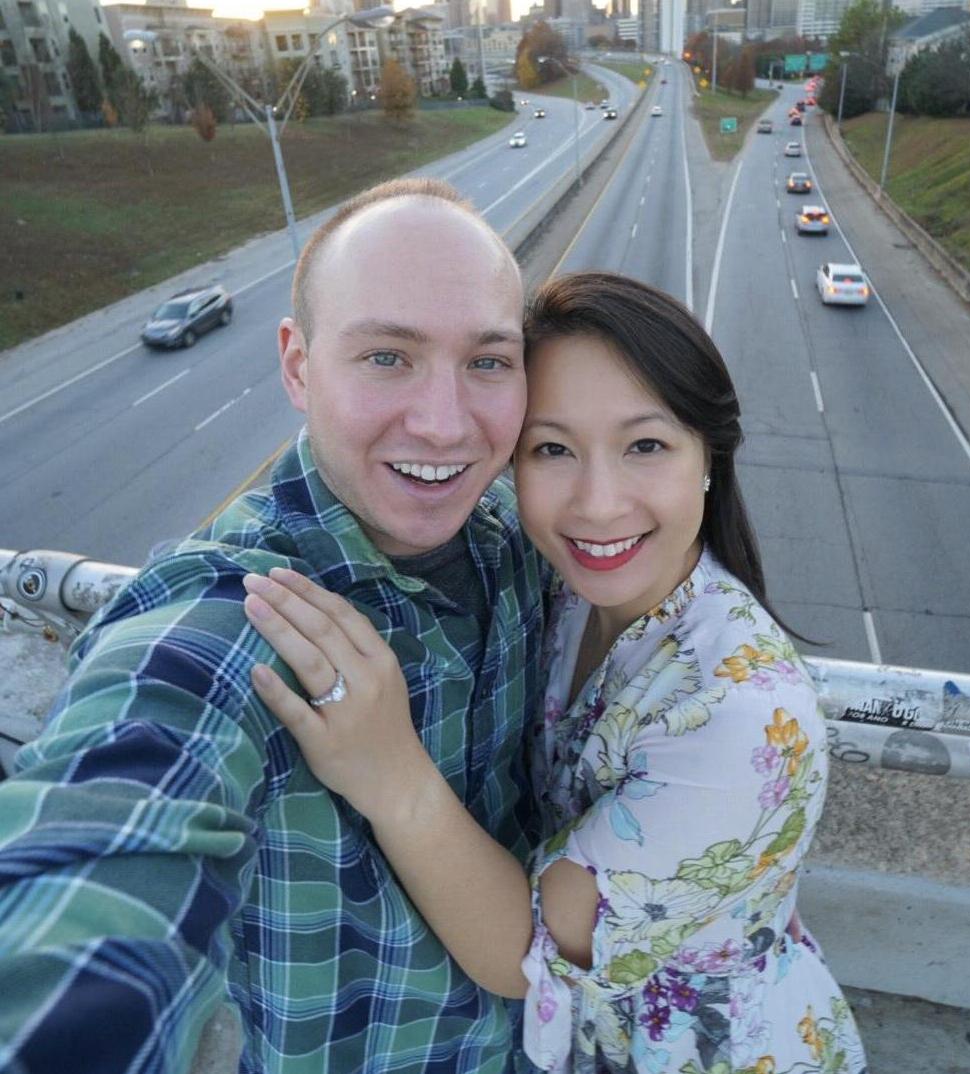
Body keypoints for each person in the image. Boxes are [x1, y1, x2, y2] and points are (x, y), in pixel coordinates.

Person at [241, 272, 869, 1074]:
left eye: (646, 446)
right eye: (552, 449)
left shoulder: (741, 716)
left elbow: (525, 950)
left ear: (708, 458)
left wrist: (390, 774)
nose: (598, 505)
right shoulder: (564, 588)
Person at [0, 178, 545, 1074]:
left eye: (488, 361)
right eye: (386, 357)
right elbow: (114, 832)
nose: (446, 425)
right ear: (297, 365)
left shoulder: (520, 543)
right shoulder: (241, 616)